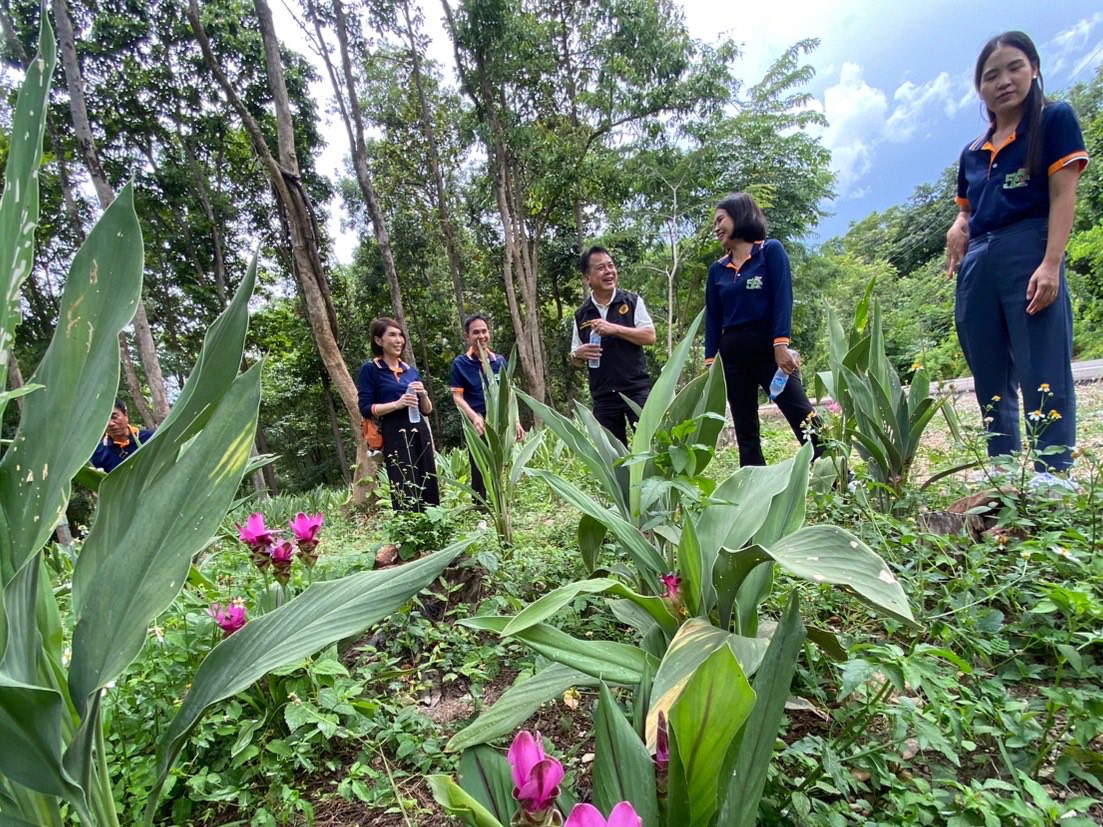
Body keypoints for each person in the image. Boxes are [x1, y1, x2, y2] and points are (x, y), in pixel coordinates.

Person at [946, 31, 1088, 481]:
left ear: (1034, 69)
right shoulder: (971, 152)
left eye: (1014, 68)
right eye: (991, 75)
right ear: (980, 87)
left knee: (1041, 363)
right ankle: (1004, 470)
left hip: (1030, 246)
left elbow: (1064, 196)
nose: (1003, 81)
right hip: (978, 263)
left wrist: (1051, 263)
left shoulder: (1053, 121)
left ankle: (1052, 473)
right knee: (988, 368)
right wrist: (957, 225)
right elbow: (968, 211)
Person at [704, 192, 820, 467]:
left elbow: (783, 299)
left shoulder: (770, 251)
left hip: (770, 354)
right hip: (732, 359)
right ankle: (754, 494)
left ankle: (839, 478)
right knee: (746, 431)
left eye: (720, 220)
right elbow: (712, 320)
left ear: (739, 216)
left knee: (802, 414)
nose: (716, 228)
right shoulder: (717, 270)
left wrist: (780, 345)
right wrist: (711, 364)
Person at [570, 246, 656, 447]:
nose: (609, 271)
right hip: (603, 397)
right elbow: (575, 361)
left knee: (650, 448)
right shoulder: (582, 314)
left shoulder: (631, 301)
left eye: (611, 266)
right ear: (587, 278)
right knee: (612, 457)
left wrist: (614, 329)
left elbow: (650, 336)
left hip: (636, 391)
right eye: (601, 268)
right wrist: (577, 354)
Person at [358, 318, 440, 511]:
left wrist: (423, 393)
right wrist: (397, 403)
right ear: (379, 341)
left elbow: (426, 410)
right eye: (392, 335)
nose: (398, 340)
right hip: (395, 432)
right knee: (404, 482)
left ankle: (434, 525)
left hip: (420, 430)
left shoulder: (410, 370)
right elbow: (365, 408)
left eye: (400, 335)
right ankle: (409, 529)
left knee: (428, 478)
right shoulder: (371, 370)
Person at [450, 314, 524, 501]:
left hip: (501, 421)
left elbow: (509, 393)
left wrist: (515, 420)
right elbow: (457, 397)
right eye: (476, 332)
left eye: (484, 331)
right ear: (467, 336)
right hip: (478, 421)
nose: (481, 335)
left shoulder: (499, 361)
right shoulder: (461, 364)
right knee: (479, 464)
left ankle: (502, 502)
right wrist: (474, 416)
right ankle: (481, 506)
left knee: (502, 462)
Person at [91, 398, 155, 472]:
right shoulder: (99, 452)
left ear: (125, 415)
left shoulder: (151, 438)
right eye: (105, 420)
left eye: (114, 417)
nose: (110, 423)